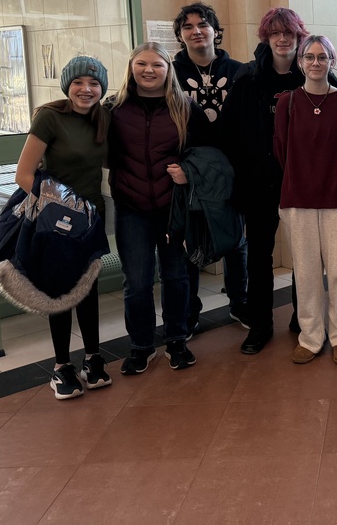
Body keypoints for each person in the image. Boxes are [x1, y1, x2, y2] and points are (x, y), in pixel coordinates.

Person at [219, 7, 337, 355]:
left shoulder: (321, 77)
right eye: (276, 33)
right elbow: (229, 135)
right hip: (259, 187)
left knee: (307, 258)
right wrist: (241, 181)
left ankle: (305, 320)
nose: (283, 38)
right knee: (259, 259)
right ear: (266, 37)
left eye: (289, 32)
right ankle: (260, 326)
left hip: (304, 187)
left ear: (299, 36)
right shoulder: (248, 80)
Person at [108, 42, 210, 374]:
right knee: (136, 281)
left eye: (157, 65)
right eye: (142, 64)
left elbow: (208, 154)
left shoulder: (185, 108)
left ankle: (177, 340)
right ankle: (141, 346)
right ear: (131, 68)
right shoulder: (114, 108)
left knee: (176, 276)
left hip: (174, 208)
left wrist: (189, 173)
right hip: (131, 209)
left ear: (168, 70)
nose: (149, 70)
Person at [14, 56, 111, 399]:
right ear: (67, 86)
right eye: (79, 83)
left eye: (94, 84)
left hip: (92, 218)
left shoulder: (103, 118)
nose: (86, 89)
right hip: (57, 221)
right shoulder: (50, 117)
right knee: (61, 292)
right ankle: (61, 367)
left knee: (87, 290)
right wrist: (60, 209)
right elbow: (24, 175)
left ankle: (93, 358)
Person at [274, 35, 337, 365]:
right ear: (300, 62)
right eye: (309, 57)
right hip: (297, 200)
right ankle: (310, 338)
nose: (315, 63)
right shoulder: (288, 103)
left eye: (322, 57)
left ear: (332, 62)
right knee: (307, 273)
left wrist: (333, 177)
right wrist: (302, 178)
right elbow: (281, 150)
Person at [171, 1, 248, 335]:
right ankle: (189, 312)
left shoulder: (241, 72)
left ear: (216, 31)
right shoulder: (169, 74)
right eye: (187, 27)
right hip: (189, 172)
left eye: (203, 24)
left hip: (232, 170)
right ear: (180, 35)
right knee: (191, 240)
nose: (196, 31)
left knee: (236, 240)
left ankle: (240, 302)